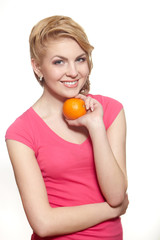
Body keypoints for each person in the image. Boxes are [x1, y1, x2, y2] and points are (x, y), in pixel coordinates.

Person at [5, 15, 129, 240]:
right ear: (37, 66)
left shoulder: (110, 111)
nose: (73, 72)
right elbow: (43, 224)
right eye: (59, 62)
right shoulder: (21, 132)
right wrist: (112, 210)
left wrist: (96, 127)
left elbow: (116, 194)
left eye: (80, 59)